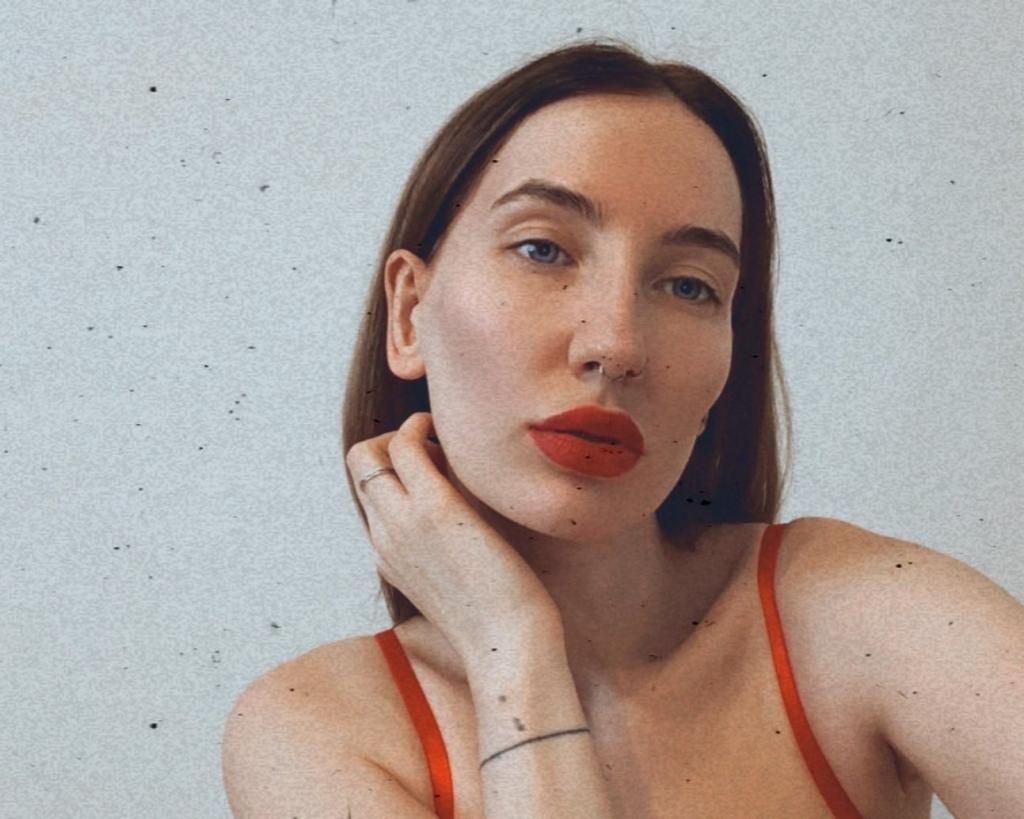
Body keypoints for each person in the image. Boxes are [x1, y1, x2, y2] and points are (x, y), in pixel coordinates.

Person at [221, 40, 1024, 819]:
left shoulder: (861, 611)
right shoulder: (315, 730)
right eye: (542, 249)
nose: (616, 345)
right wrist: (512, 647)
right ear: (409, 314)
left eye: (690, 286)